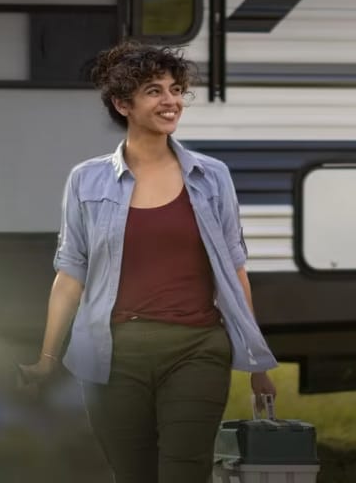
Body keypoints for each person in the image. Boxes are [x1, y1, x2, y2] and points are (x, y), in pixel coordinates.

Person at [17, 42, 279, 483]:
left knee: (184, 470)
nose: (171, 100)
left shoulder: (212, 176)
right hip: (114, 353)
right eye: (154, 91)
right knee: (132, 473)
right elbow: (70, 273)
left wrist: (258, 364)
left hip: (197, 348)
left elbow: (235, 271)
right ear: (123, 104)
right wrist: (47, 359)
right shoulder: (87, 179)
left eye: (176, 89)